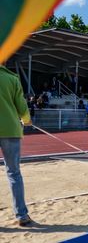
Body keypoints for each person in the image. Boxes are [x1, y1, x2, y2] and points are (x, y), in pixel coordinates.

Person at [0, 64, 33, 226]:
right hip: (10, 129)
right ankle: (21, 215)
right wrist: (26, 120)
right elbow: (21, 106)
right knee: (14, 173)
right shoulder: (12, 78)